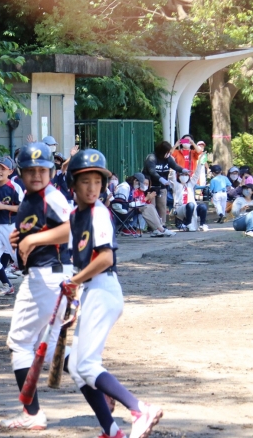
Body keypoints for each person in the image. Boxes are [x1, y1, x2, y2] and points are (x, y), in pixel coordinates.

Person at [64, 149, 163, 438]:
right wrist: (72, 295)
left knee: (86, 365)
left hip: (103, 289)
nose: (92, 187)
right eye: (85, 181)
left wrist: (73, 283)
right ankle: (111, 431)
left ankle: (139, 409)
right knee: (78, 367)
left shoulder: (98, 213)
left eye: (98, 181)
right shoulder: (75, 216)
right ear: (73, 184)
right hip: (91, 291)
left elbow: (105, 258)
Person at [0, 143, 72, 431]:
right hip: (50, 276)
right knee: (52, 348)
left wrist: (32, 239)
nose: (37, 175)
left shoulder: (51, 196)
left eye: (43, 170)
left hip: (46, 277)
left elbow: (72, 228)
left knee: (19, 343)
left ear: (52, 172)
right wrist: (20, 238)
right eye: (31, 170)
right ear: (21, 173)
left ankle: (32, 414)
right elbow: (36, 233)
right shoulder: (30, 198)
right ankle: (100, 384)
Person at [0, 156, 22, 296]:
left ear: (10, 171)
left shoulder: (14, 187)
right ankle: (7, 285)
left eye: (3, 168)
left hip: (12, 227)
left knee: (21, 261)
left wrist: (3, 207)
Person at [143, 141, 189, 225]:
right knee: (152, 206)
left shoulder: (168, 158)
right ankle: (153, 225)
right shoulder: (152, 158)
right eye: (167, 152)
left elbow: (175, 166)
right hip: (151, 185)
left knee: (162, 206)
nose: (168, 154)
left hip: (162, 186)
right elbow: (152, 171)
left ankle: (162, 224)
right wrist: (161, 179)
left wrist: (183, 170)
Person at [169, 163, 208, 231]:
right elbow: (171, 177)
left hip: (192, 207)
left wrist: (200, 164)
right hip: (180, 208)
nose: (184, 176)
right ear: (178, 176)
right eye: (182, 174)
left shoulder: (190, 184)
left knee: (203, 206)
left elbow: (196, 175)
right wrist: (172, 164)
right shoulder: (176, 185)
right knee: (190, 205)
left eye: (186, 175)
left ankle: (202, 224)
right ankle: (187, 223)